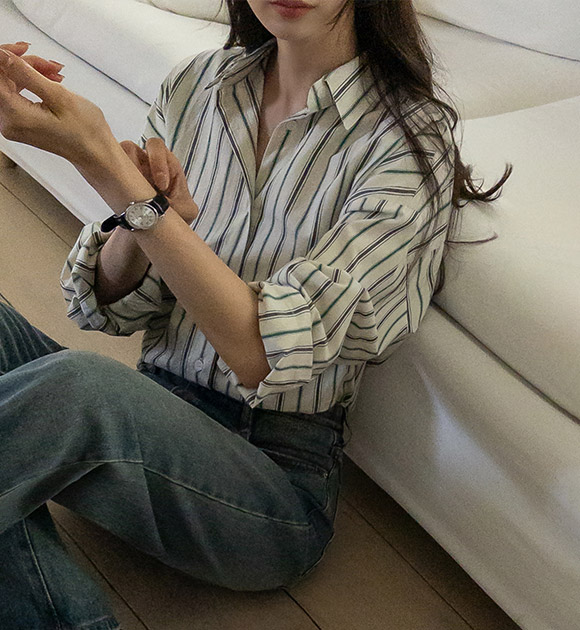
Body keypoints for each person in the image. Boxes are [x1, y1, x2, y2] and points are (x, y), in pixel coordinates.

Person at [0, 1, 512, 628]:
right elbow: (107, 307)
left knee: (79, 388)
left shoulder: (407, 141)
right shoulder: (197, 84)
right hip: (150, 413)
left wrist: (105, 166)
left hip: (269, 487)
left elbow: (262, 354)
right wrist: (148, 219)